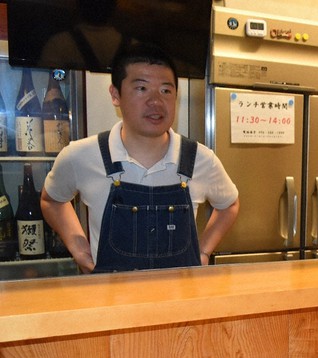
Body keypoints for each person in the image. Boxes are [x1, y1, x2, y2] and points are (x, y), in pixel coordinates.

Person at [42, 43, 239, 273]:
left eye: (166, 90)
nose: (155, 101)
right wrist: (79, 249)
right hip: (111, 303)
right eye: (142, 88)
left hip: (180, 304)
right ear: (116, 95)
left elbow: (229, 204)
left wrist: (203, 252)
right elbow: (51, 200)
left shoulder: (200, 159)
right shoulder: (80, 155)